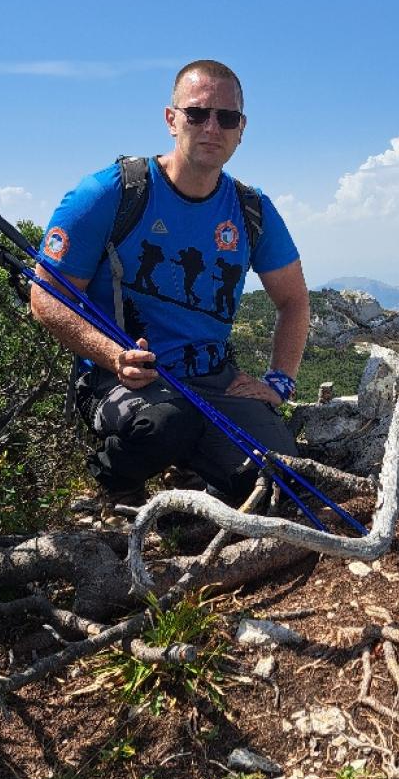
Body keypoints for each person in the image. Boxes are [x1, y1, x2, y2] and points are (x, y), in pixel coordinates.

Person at [31, 59, 309, 506]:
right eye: (196, 113)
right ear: (171, 119)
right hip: (121, 377)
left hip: (212, 377)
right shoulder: (111, 193)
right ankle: (116, 483)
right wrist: (113, 355)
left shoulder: (250, 209)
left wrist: (279, 382)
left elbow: (293, 300)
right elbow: (46, 295)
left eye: (227, 117)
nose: (211, 127)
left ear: (241, 129)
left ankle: (199, 485)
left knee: (278, 483)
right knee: (165, 424)